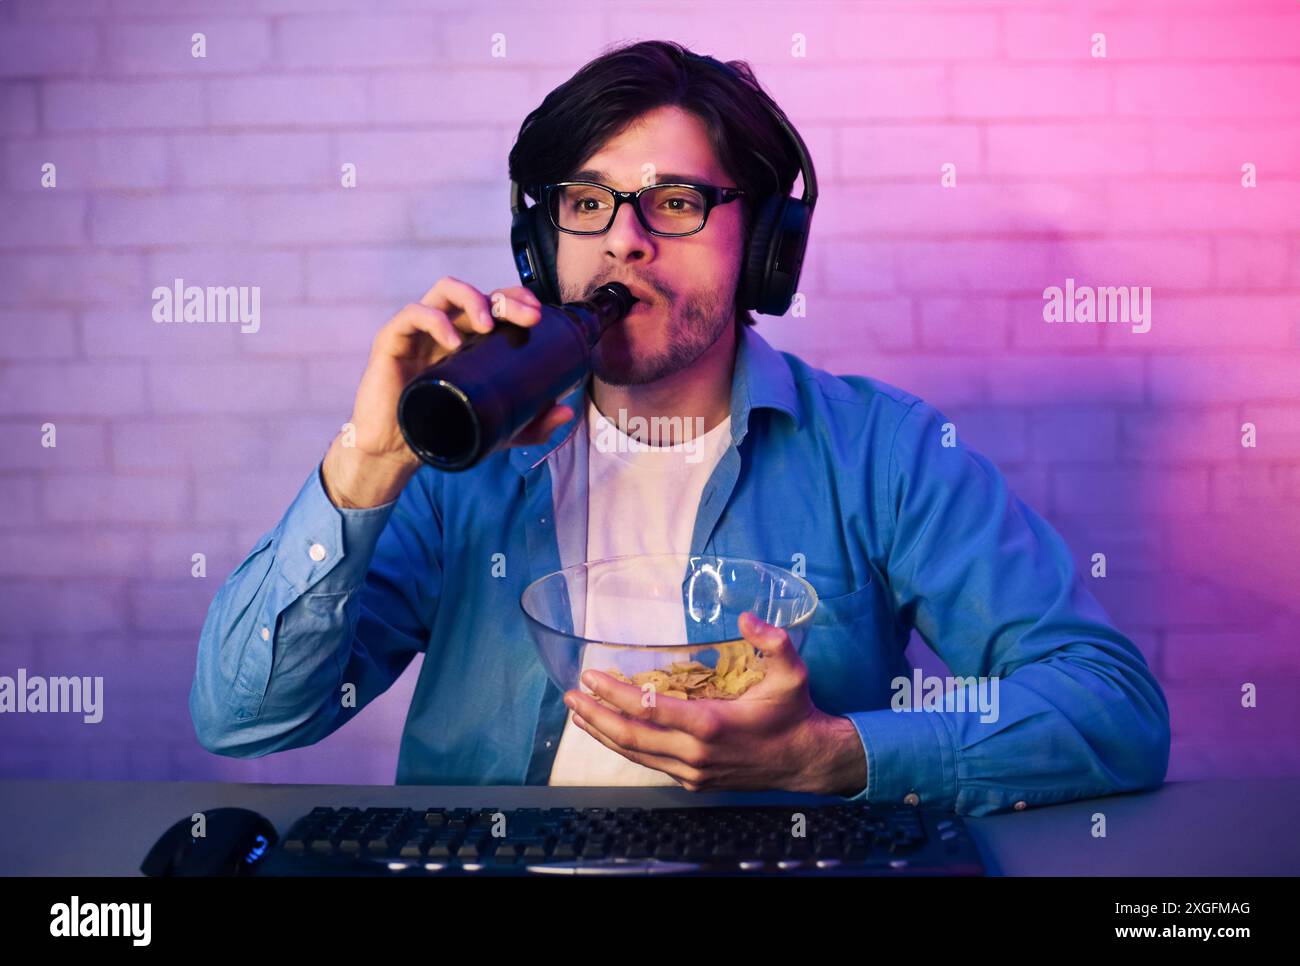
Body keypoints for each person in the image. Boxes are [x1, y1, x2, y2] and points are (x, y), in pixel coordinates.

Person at [190, 40, 1169, 816]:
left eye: (674, 201)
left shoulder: (884, 452)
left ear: (764, 251)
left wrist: (831, 757)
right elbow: (243, 721)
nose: (624, 238)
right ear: (542, 244)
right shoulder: (462, 450)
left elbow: (1112, 708)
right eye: (586, 203)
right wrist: (368, 463)